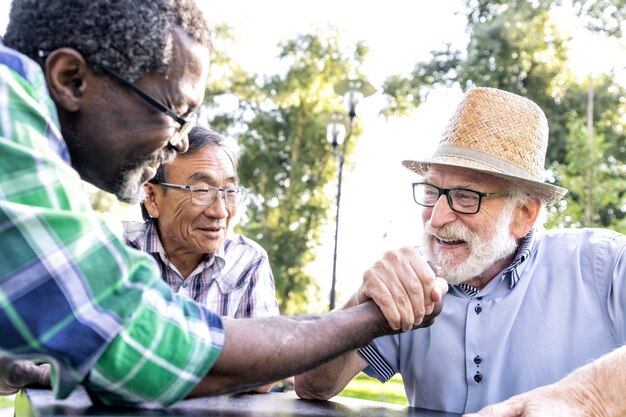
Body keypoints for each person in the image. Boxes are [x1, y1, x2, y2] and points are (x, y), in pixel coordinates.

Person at [0, 0, 447, 407]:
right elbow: (150, 349)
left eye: (228, 190)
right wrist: (371, 316)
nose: (178, 141)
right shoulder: (10, 134)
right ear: (71, 79)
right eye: (176, 111)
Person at [294, 87, 626, 416]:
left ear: (524, 213)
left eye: (466, 196)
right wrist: (358, 307)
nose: (436, 218)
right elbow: (311, 387)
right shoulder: (410, 281)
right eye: (431, 191)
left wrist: (587, 398)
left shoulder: (601, 265)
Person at [126, 125, 279, 393]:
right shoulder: (118, 250)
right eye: (201, 191)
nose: (220, 211)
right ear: (152, 197)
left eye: (229, 192)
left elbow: (264, 374)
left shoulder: (249, 262)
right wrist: (223, 353)